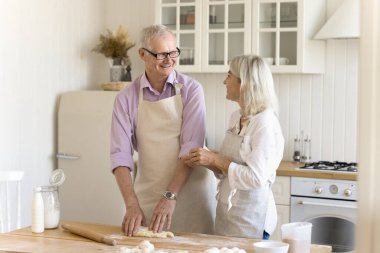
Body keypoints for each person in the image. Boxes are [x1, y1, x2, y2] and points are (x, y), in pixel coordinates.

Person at [110, 24, 216, 236]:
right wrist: (131, 204)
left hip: (190, 194)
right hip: (148, 196)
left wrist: (170, 196)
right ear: (142, 54)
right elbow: (120, 156)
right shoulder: (126, 98)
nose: (169, 60)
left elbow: (191, 149)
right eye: (161, 54)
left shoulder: (191, 90)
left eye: (173, 52)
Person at [184, 55, 284, 239]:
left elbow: (255, 177)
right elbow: (226, 170)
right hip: (228, 217)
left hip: (253, 219)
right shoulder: (236, 117)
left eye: (229, 76)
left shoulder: (265, 124)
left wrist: (214, 158)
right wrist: (204, 159)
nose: (225, 81)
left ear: (244, 83)